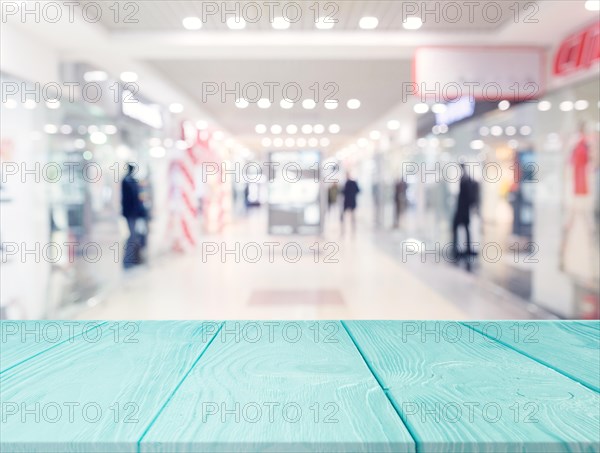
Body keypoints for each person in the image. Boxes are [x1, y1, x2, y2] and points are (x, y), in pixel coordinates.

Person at [121, 164, 146, 268]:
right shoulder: (128, 181)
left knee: (134, 235)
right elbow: (131, 199)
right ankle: (130, 259)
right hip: (131, 213)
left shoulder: (130, 181)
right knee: (132, 235)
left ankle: (133, 258)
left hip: (133, 213)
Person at [452, 163, 477, 266]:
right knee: (463, 229)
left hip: (463, 210)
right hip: (463, 209)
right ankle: (463, 249)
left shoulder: (466, 180)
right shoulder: (466, 179)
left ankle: (463, 249)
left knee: (461, 229)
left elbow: (468, 197)